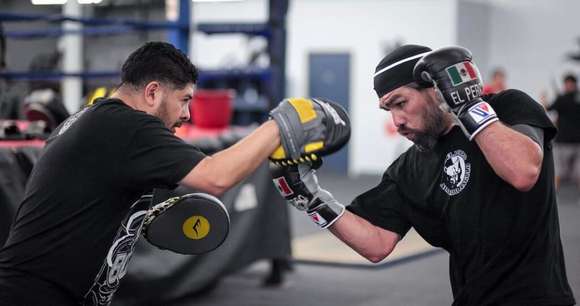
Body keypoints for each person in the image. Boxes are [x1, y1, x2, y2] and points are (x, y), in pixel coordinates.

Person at [0, 41, 347, 306]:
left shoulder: (92, 121)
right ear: (152, 92)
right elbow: (216, 177)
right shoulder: (127, 127)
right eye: (183, 100)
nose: (187, 114)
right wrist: (280, 125)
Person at [270, 45, 576, 305]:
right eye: (388, 109)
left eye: (401, 103)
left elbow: (523, 171)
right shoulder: (408, 168)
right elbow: (376, 244)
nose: (397, 121)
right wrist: (311, 198)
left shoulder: (507, 108)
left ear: (436, 89)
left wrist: (468, 105)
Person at [546, 73, 580, 190]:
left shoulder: (561, 98)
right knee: (560, 171)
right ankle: (555, 192)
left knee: (559, 170)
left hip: (566, 141)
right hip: (567, 141)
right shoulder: (564, 98)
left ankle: (554, 193)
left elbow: (548, 108)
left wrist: (543, 99)